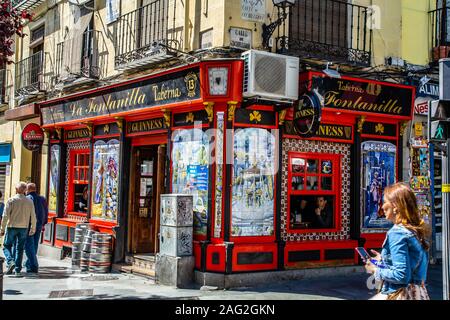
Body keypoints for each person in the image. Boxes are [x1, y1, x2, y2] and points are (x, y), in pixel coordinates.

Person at [365, 183, 430, 300]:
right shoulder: (414, 230)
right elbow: (412, 265)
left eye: (385, 202)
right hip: (418, 293)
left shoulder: (397, 233)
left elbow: (402, 275)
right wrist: (384, 259)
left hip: (401, 294)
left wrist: (375, 270)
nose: (382, 206)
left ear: (395, 206)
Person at [0, 182, 36, 276]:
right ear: (25, 190)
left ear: (16, 190)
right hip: (24, 228)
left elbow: (5, 216)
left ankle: (10, 261)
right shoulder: (29, 201)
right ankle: (17, 271)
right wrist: (33, 227)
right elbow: (33, 215)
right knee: (19, 249)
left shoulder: (11, 200)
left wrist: (2, 229)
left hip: (12, 226)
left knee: (6, 245)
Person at [24, 183, 48, 274]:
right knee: (34, 244)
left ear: (28, 189)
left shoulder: (28, 199)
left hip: (30, 225)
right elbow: (45, 212)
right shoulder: (42, 199)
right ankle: (29, 264)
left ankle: (33, 265)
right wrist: (43, 223)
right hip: (39, 224)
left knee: (29, 245)